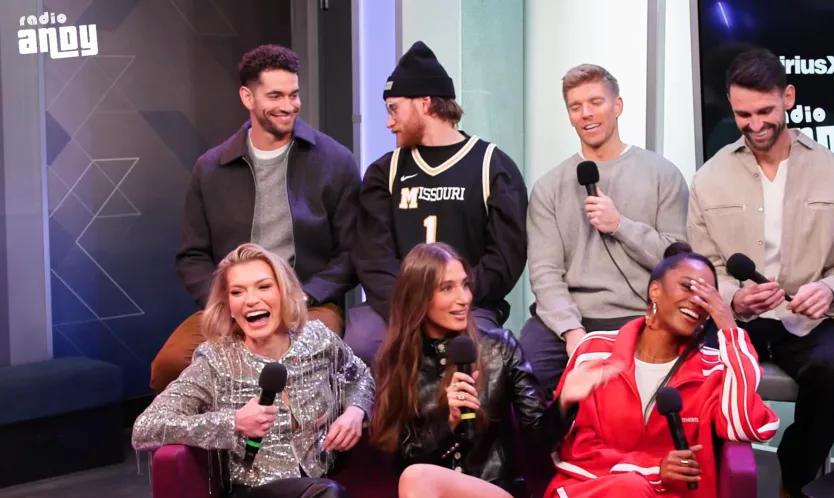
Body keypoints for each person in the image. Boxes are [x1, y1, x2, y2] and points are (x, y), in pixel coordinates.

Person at [687, 48, 834, 498]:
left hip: (808, 320)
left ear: (788, 97)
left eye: (765, 111)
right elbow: (702, 269)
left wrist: (828, 289)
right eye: (743, 114)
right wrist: (735, 299)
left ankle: (797, 481)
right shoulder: (709, 178)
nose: (755, 125)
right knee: (693, 374)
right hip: (735, 320)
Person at [132, 243, 375, 498]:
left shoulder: (318, 340)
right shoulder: (216, 361)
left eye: (263, 287)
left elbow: (360, 376)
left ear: (284, 293)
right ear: (228, 305)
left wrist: (355, 412)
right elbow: (145, 427)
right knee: (326, 495)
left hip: (313, 490)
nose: (251, 300)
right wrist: (233, 422)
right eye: (237, 292)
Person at [544, 242, 780, 498]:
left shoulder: (713, 368)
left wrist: (729, 330)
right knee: (628, 494)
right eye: (688, 286)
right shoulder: (595, 351)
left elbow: (742, 424)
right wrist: (652, 471)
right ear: (655, 290)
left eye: (707, 295)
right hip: (596, 497)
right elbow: (571, 449)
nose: (697, 300)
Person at [368, 242, 600, 498]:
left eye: (465, 285)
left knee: (419, 479)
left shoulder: (498, 348)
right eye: (447, 288)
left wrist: (563, 402)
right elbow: (398, 458)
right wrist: (447, 424)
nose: (463, 298)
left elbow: (537, 439)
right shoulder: (398, 362)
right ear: (418, 297)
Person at [152, 44, 362, 392]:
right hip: (234, 305)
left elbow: (352, 253)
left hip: (308, 303)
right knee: (170, 364)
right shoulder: (211, 168)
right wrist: (229, 302)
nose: (288, 106)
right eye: (275, 96)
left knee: (301, 362)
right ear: (247, 97)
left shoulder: (335, 161)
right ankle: (215, 429)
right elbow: (192, 256)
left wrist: (306, 295)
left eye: (293, 95)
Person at [350, 41, 528, 367]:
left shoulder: (492, 166)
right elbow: (373, 257)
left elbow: (505, 259)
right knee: (362, 340)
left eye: (393, 109)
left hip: (469, 304)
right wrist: (415, 305)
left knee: (485, 352)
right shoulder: (385, 172)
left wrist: (451, 295)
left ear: (425, 103)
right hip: (399, 306)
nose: (389, 122)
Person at [521, 63, 689, 394]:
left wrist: (621, 226)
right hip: (572, 317)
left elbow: (678, 262)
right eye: (576, 107)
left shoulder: (663, 174)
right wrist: (571, 332)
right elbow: (545, 272)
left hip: (644, 314)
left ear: (618, 106)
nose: (586, 113)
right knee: (525, 375)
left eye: (596, 102)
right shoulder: (549, 187)